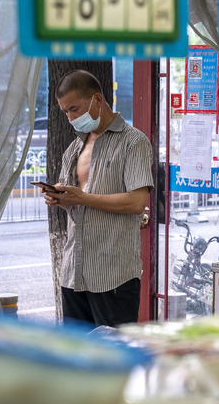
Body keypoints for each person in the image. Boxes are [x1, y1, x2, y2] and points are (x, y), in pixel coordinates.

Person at [43, 70, 153, 327]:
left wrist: (83, 198)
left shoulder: (133, 142)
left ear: (97, 100)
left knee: (113, 360)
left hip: (113, 275)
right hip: (73, 272)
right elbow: (76, 199)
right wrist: (59, 197)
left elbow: (136, 203)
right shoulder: (74, 148)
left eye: (74, 109)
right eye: (65, 112)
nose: (71, 118)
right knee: (78, 361)